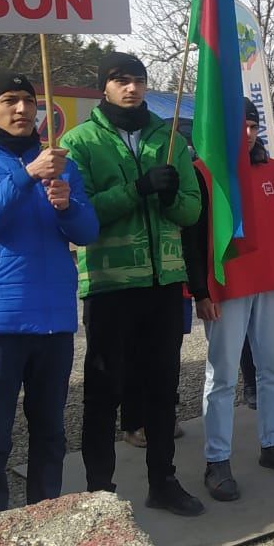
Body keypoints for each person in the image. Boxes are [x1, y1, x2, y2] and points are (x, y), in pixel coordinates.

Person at [0, 72, 98, 514]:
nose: (23, 108)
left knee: (51, 433)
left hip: (54, 320)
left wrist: (67, 206)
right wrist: (28, 175)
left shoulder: (62, 165)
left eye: (29, 100)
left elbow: (88, 232)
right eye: (9, 100)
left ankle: (44, 518)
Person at [61, 52, 204, 516]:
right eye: (120, 80)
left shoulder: (169, 138)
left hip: (163, 282)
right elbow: (80, 213)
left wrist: (170, 195)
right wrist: (136, 189)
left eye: (138, 80)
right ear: (103, 86)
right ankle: (100, 494)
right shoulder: (79, 141)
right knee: (104, 391)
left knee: (162, 388)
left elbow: (192, 211)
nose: (131, 88)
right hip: (110, 284)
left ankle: (163, 482)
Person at [185, 99, 274, 500]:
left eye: (253, 126)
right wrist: (200, 290)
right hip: (227, 285)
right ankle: (217, 459)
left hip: (270, 281)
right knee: (221, 376)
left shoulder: (270, 168)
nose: (248, 134)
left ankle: (273, 443)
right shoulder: (204, 171)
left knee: (272, 369)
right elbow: (193, 235)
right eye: (240, 126)